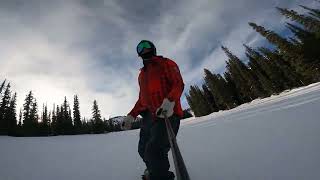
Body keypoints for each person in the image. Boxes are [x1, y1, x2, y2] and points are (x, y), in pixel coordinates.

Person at [121, 40, 184, 180]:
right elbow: (142, 100)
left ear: (153, 48)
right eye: (139, 47)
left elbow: (178, 84)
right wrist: (131, 115)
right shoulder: (141, 75)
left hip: (167, 114)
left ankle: (161, 176)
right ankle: (154, 172)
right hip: (149, 117)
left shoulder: (166, 63)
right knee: (142, 149)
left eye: (146, 46)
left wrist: (170, 102)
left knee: (154, 151)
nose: (143, 49)